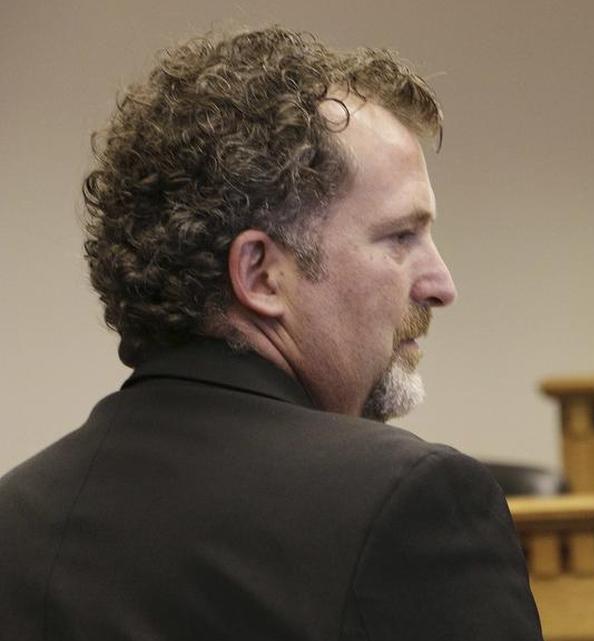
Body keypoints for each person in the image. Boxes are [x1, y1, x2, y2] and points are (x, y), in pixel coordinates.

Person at [0, 28, 544, 640]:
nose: (441, 283)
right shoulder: (410, 504)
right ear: (260, 274)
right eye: (400, 237)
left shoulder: (15, 517)